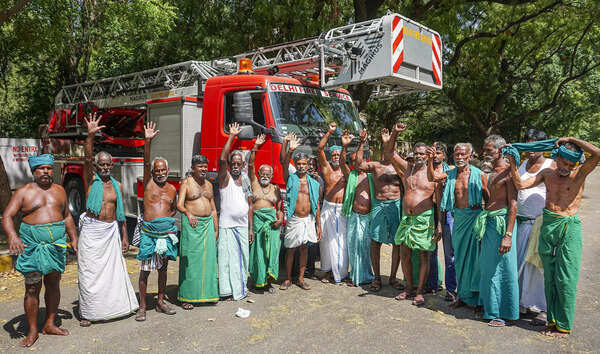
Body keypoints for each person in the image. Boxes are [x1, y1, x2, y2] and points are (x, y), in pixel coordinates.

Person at [506, 136, 600, 337]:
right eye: (564, 162)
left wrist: (572, 139)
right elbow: (521, 185)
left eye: (571, 163)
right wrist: (514, 161)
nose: (567, 166)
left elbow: (598, 153)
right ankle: (552, 321)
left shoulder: (579, 174)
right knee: (549, 276)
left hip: (568, 226)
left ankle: (564, 326)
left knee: (565, 277)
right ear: (556, 158)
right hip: (548, 225)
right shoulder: (547, 173)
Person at [2, 154, 78, 347]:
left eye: (49, 168)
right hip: (32, 247)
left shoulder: (60, 190)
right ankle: (33, 330)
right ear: (34, 171)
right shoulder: (23, 192)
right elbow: (7, 216)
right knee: (33, 287)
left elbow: (67, 216)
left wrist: (74, 238)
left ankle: (50, 324)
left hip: (56, 246)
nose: (45, 171)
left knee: (53, 283)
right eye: (41, 168)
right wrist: (13, 236)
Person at [77, 113, 138, 326]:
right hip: (92, 231)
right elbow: (86, 159)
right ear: (96, 166)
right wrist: (90, 136)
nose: (105, 168)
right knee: (89, 272)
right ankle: (88, 313)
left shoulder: (117, 186)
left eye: (108, 165)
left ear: (112, 166)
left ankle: (115, 308)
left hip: (110, 230)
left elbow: (121, 215)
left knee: (112, 273)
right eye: (101, 165)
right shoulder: (91, 182)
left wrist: (124, 236)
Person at [384, 123, 440, 306]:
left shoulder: (434, 172)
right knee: (404, 253)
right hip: (407, 218)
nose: (418, 156)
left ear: (428, 155)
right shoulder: (407, 169)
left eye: (422, 153)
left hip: (424, 218)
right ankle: (409, 288)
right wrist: (395, 133)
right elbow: (390, 153)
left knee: (424, 255)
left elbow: (438, 202)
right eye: (416, 153)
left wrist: (439, 225)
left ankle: (420, 290)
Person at [435, 143, 487, 309]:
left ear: (470, 156)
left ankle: (479, 301)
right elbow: (433, 177)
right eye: (456, 154)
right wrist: (431, 160)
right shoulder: (450, 175)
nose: (459, 157)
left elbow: (490, 199)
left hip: (475, 220)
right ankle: (463, 296)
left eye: (462, 154)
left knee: (476, 261)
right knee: (460, 261)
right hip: (458, 221)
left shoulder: (479, 175)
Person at [136, 122, 179, 321]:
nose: (161, 173)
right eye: (157, 170)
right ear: (152, 172)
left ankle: (161, 301)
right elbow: (145, 162)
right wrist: (148, 140)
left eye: (163, 170)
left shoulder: (172, 189)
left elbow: (173, 210)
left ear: (168, 170)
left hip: (165, 235)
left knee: (163, 270)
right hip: (149, 235)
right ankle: (143, 306)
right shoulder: (149, 184)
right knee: (145, 271)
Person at [475, 135, 519, 327]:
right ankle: (490, 308)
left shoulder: (509, 173)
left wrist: (508, 235)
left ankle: (505, 312)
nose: (485, 154)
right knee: (487, 268)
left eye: (489, 150)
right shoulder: (490, 173)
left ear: (501, 151)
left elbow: (514, 205)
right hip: (489, 223)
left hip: (503, 224)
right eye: (485, 150)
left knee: (504, 268)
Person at [355, 129, 403, 292]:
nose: (388, 150)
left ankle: (392, 277)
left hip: (396, 205)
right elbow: (358, 164)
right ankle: (376, 278)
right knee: (375, 242)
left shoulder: (400, 167)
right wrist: (362, 142)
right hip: (379, 206)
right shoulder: (376, 166)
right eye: (385, 147)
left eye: (390, 146)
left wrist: (391, 138)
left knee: (397, 243)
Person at [515, 129, 554, 324]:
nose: (531, 149)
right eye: (527, 144)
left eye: (535, 144)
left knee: (538, 268)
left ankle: (542, 308)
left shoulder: (549, 165)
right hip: (521, 223)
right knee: (521, 264)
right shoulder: (523, 163)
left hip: (539, 223)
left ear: (543, 145)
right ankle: (523, 303)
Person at [280, 133, 322, 290]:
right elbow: (284, 164)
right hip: (295, 219)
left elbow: (316, 204)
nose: (302, 166)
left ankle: (301, 279)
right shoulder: (291, 179)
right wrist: (290, 150)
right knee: (290, 249)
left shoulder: (313, 182)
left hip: (308, 220)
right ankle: (288, 279)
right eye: (299, 164)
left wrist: (319, 225)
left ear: (308, 164)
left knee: (304, 249)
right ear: (296, 164)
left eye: (304, 164)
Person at [176, 154, 219, 308]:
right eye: (200, 166)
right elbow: (179, 205)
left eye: (205, 166)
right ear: (193, 168)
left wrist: (216, 228)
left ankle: (208, 294)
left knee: (208, 262)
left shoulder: (209, 184)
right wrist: (188, 213)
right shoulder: (186, 183)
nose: (203, 169)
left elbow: (213, 209)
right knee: (191, 262)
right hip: (192, 226)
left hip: (207, 225)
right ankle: (187, 297)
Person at [217, 123, 252, 300]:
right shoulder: (225, 178)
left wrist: (251, 228)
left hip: (243, 226)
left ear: (243, 164)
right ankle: (227, 290)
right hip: (227, 226)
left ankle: (241, 287)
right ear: (230, 165)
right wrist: (231, 136)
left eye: (239, 163)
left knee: (243, 258)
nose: (236, 166)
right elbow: (222, 159)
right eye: (234, 163)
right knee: (226, 260)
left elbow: (250, 204)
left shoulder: (245, 180)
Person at [248, 134, 283, 293]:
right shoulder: (254, 183)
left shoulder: (275, 188)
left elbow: (281, 208)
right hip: (257, 222)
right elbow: (250, 164)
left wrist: (280, 220)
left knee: (271, 253)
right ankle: (257, 281)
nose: (265, 176)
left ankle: (268, 282)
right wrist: (256, 146)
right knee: (258, 252)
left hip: (272, 225)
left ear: (271, 176)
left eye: (268, 174)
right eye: (262, 173)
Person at [317, 122, 348, 283]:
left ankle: (342, 272)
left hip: (342, 209)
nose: (336, 157)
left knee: (341, 241)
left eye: (338, 154)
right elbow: (320, 149)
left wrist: (344, 147)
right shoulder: (327, 169)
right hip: (328, 208)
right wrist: (329, 132)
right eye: (334, 155)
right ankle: (329, 271)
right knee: (327, 242)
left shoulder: (346, 171)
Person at [427, 142, 457, 301]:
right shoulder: (425, 169)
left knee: (449, 253)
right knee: (430, 251)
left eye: (439, 153)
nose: (436, 156)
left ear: (444, 156)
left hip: (447, 215)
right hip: (429, 214)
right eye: (434, 153)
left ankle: (451, 289)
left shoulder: (451, 171)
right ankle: (432, 284)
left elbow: (435, 179)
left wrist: (440, 222)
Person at [305, 156, 323, 279]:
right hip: (302, 214)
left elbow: (320, 198)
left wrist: (317, 182)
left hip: (314, 214)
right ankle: (300, 269)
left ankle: (310, 270)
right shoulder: (300, 177)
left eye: (313, 165)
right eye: (309, 164)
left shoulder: (319, 179)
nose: (311, 167)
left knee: (312, 244)